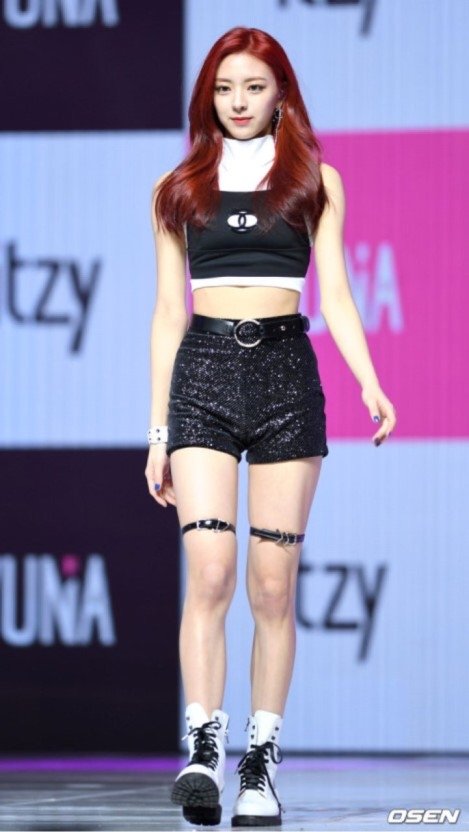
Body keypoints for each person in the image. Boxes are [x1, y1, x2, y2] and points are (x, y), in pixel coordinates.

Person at [145, 26, 397, 829]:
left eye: (253, 87)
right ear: (207, 97)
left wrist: (368, 380)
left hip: (288, 375)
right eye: (224, 88)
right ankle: (202, 750)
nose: (238, 101)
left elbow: (338, 295)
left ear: (280, 93)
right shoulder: (177, 186)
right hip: (203, 377)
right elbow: (167, 314)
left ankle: (260, 764)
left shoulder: (316, 180)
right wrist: (158, 434)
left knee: (272, 586)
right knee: (210, 571)